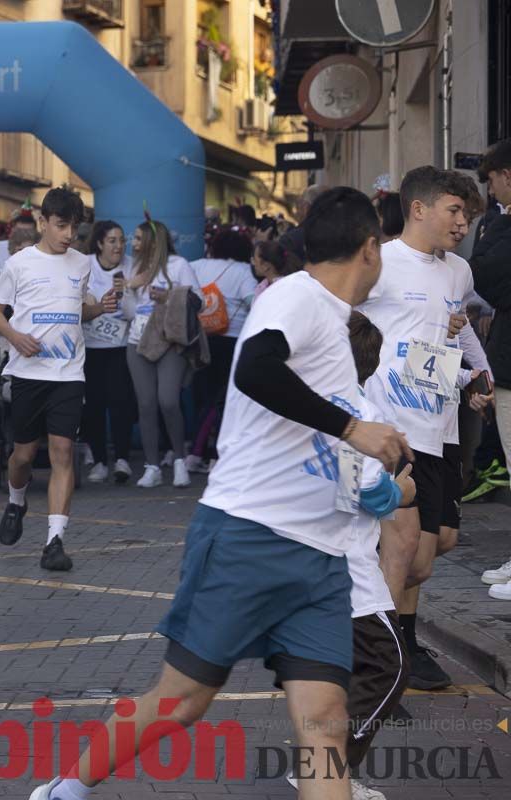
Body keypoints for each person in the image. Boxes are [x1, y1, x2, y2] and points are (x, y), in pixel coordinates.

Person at [28, 186, 413, 800]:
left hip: (322, 559)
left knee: (325, 723)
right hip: (249, 536)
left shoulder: (336, 328)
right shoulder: (298, 295)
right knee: (183, 701)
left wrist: (371, 450)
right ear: (370, 248)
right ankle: (65, 789)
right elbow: (255, 368)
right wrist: (353, 428)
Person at [358, 166, 493, 692]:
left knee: (435, 550)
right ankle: (388, 659)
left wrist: (474, 380)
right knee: (406, 546)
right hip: (390, 428)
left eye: (468, 214)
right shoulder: (379, 262)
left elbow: (448, 337)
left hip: (440, 425)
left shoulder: (458, 272)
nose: (463, 224)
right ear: (419, 209)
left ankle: (386, 630)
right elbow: (336, 318)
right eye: (455, 211)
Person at [319, 310, 413, 800]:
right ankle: (328, 768)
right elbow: (370, 495)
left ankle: (327, 768)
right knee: (390, 666)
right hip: (349, 569)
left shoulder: (309, 405)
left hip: (312, 565)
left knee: (341, 674)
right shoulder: (355, 414)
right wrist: (403, 486)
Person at [0, 186, 97, 572]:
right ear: (43, 223)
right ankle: (17, 502)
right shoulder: (20, 263)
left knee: (63, 452)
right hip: (28, 373)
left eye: (74, 228)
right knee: (23, 456)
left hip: (69, 373)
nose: (68, 235)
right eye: (61, 225)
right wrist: (15, 337)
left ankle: (54, 542)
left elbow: (80, 309)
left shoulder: (82, 264)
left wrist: (99, 308)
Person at [117, 219, 201, 488]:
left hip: (168, 339)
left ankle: (179, 460)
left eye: (139, 238)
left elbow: (197, 301)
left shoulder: (179, 265)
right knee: (146, 404)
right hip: (138, 340)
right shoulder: (135, 267)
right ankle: (152, 466)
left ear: (155, 241)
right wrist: (129, 290)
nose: (134, 244)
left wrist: (168, 296)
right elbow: (129, 313)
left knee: (168, 400)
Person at [470, 139, 511, 600]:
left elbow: (491, 277)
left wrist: (496, 226)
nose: (494, 192)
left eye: (494, 180)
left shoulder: (503, 222)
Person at [187, 226, 258, 473]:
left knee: (202, 397)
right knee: (222, 401)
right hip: (231, 341)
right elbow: (254, 302)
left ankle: (197, 450)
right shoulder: (242, 272)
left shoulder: (196, 266)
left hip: (199, 340)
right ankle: (209, 452)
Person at [79, 220, 135, 484]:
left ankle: (122, 458)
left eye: (122, 240)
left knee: (121, 402)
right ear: (100, 243)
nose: (118, 246)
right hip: (90, 348)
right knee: (94, 405)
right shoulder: (84, 264)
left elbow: (136, 310)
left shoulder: (131, 267)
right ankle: (99, 460)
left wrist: (127, 295)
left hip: (120, 347)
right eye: (112, 241)